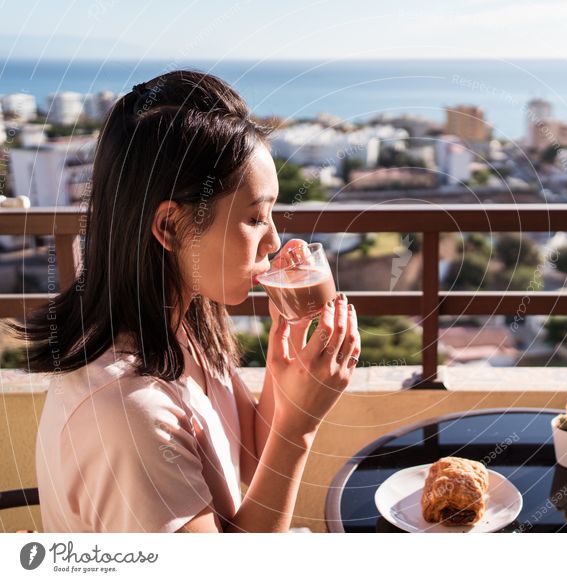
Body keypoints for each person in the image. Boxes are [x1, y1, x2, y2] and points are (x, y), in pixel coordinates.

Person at [7, 70, 360, 532]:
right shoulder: (128, 413)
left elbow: (246, 466)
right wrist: (299, 430)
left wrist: (282, 366)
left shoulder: (183, 322)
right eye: (255, 218)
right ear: (170, 227)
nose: (274, 240)